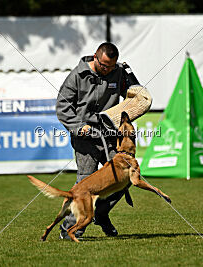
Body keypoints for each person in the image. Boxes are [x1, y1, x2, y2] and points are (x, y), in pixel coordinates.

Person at [56, 42, 137, 239]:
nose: (108, 70)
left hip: (110, 137)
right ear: (95, 57)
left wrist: (131, 77)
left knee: (125, 180)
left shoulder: (117, 72)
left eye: (111, 66)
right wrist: (78, 127)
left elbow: (135, 94)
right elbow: (62, 107)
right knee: (85, 182)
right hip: (85, 138)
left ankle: (100, 214)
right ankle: (70, 229)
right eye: (104, 66)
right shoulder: (76, 76)